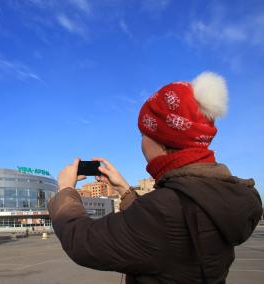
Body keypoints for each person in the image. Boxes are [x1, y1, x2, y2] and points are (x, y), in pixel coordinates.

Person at [47, 72, 263, 283]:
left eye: (143, 134)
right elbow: (155, 227)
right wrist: (124, 189)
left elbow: (84, 242)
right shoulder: (216, 194)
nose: (141, 142)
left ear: (161, 139)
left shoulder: (167, 209)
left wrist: (66, 190)